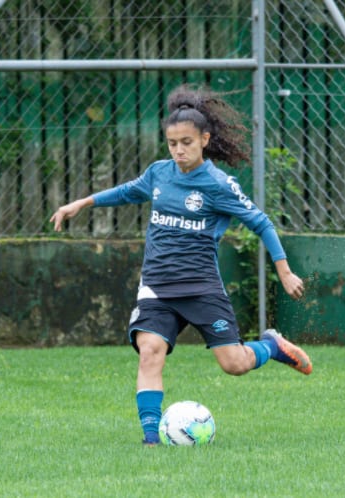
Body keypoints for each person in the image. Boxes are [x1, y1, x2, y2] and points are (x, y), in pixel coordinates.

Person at [50, 84, 312, 444]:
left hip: (202, 287)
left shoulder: (218, 184)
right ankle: (151, 439)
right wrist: (81, 203)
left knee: (234, 364)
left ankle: (271, 346)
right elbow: (127, 191)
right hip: (157, 286)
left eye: (186, 143)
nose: (178, 151)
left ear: (204, 139)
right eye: (172, 143)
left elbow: (262, 223)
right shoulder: (159, 173)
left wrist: (284, 270)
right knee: (150, 352)